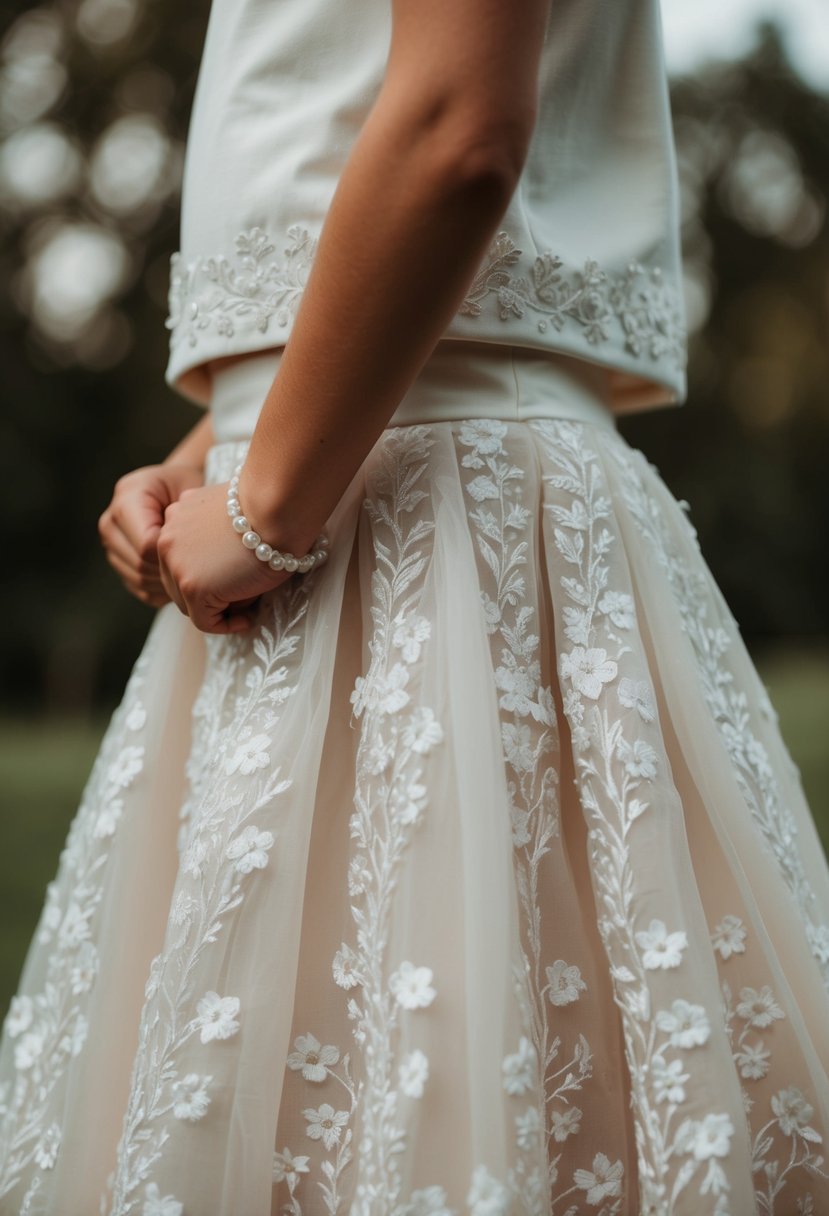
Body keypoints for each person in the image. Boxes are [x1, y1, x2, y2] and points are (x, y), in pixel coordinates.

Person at [1, 0, 828, 1211]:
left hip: (429, 521)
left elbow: (458, 131)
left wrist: (268, 501)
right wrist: (210, 459)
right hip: (329, 483)